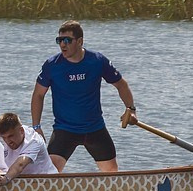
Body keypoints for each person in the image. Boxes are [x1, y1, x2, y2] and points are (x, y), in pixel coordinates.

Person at [33, 21, 138, 174]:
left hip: (94, 128)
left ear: (80, 41)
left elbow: (121, 85)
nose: (63, 44)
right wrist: (36, 127)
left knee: (112, 173)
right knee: (50, 174)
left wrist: (131, 109)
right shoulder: (52, 65)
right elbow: (38, 95)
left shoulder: (97, 61)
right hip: (65, 129)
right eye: (59, 40)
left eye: (67, 40)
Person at [0, 110, 59, 178]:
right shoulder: (7, 129)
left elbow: (20, 165)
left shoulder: (33, 140)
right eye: (4, 137)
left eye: (10, 136)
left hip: (46, 180)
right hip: (23, 179)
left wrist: (6, 179)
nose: (8, 141)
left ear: (21, 131)